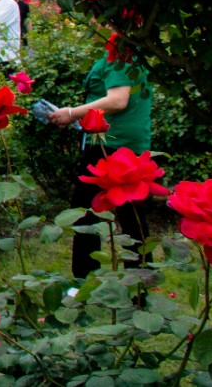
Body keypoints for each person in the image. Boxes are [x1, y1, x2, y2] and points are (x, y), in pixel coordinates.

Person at [50, 56, 155, 280]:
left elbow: (117, 101)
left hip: (110, 148)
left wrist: (72, 112)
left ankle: (84, 282)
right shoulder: (132, 53)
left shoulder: (120, 56)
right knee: (132, 217)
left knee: (85, 214)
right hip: (123, 145)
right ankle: (142, 286)